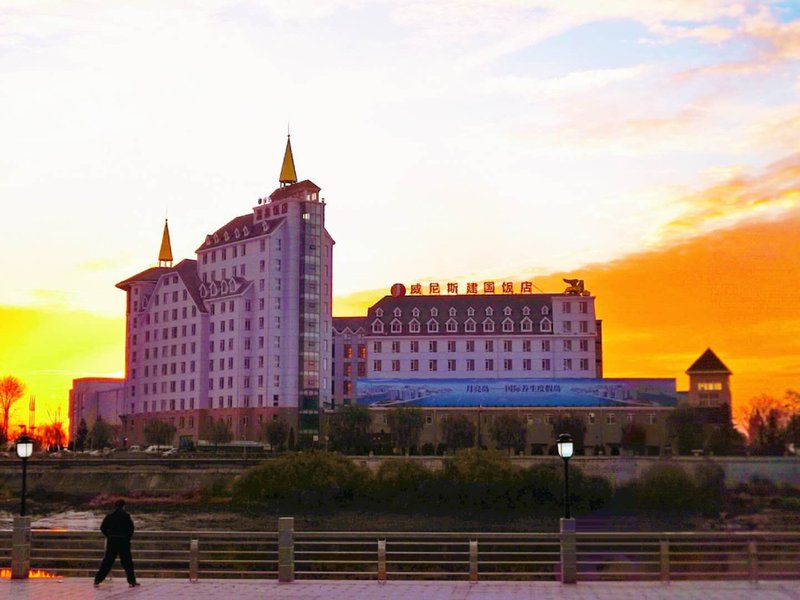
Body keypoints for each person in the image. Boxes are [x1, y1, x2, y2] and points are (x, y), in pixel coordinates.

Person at [93, 499, 140, 588]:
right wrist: (127, 538)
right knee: (127, 562)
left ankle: (98, 579)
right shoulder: (126, 516)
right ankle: (132, 581)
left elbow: (103, 528)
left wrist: (109, 536)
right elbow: (131, 529)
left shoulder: (109, 516)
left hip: (112, 541)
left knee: (107, 561)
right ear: (124, 506)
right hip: (123, 542)